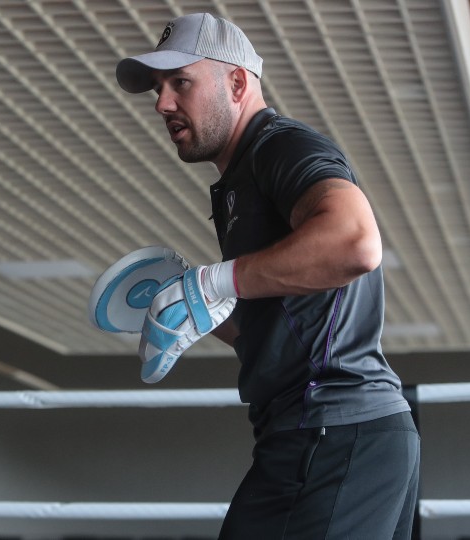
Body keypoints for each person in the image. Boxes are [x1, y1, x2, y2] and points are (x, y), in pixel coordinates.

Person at [115, 13, 421, 539]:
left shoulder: (281, 146)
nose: (163, 103)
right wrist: (189, 301)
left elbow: (356, 241)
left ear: (237, 82)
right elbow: (277, 326)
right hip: (329, 434)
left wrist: (214, 282)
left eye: (180, 82)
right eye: (158, 89)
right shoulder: (238, 184)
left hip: (334, 430)